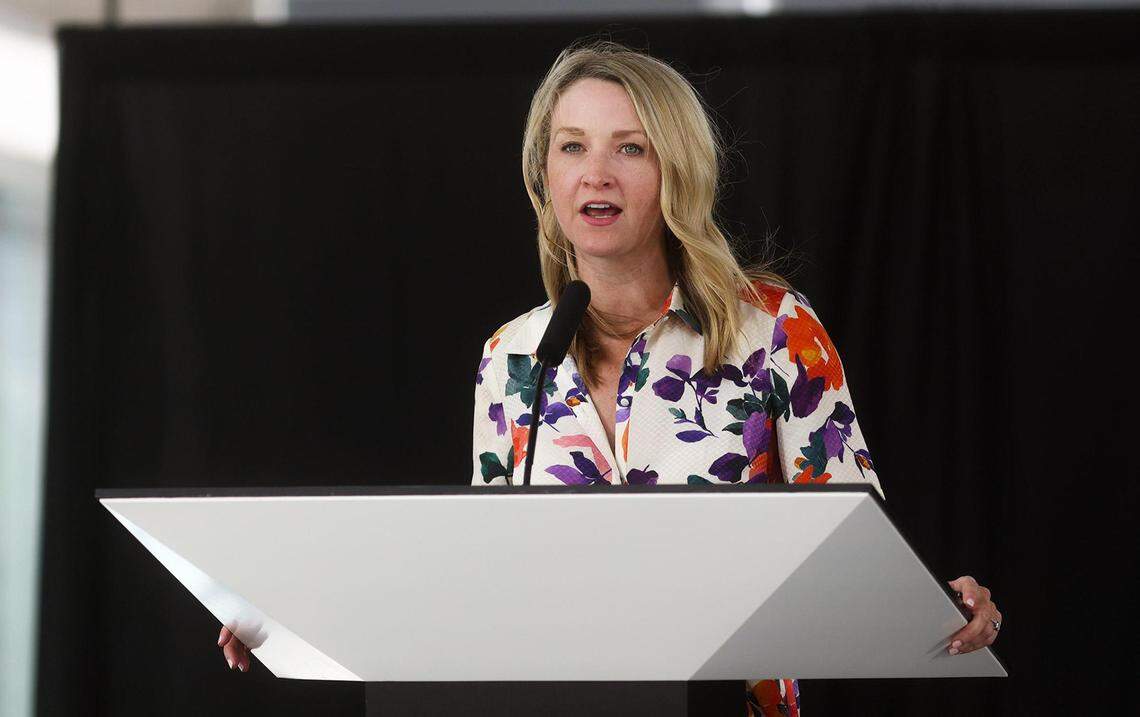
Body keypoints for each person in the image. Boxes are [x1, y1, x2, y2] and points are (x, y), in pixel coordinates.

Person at [218, 41, 1003, 715]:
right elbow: (480, 573)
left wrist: (947, 607)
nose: (597, 172)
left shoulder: (772, 328)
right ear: (545, 175)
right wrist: (299, 616)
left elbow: (856, 546)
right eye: (572, 146)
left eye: (629, 147)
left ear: (676, 171)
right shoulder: (512, 356)